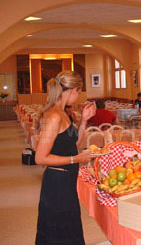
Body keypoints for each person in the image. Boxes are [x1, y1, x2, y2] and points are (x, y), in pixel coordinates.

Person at [35, 71, 97, 245]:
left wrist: (84, 121)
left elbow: (74, 144)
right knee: (59, 233)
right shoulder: (54, 116)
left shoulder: (63, 113)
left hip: (66, 181)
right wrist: (75, 160)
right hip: (57, 184)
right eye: (78, 92)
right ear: (73, 90)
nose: (77, 98)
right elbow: (40, 158)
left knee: (69, 229)